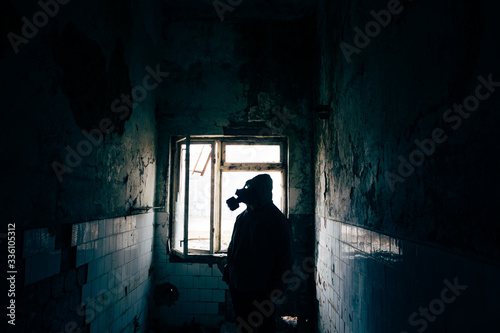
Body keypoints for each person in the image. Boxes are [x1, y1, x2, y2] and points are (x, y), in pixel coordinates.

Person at [222, 174, 294, 333]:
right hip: (239, 287)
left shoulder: (277, 220)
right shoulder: (242, 217)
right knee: (243, 327)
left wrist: (275, 291)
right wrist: (229, 269)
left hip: (262, 291)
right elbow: (233, 247)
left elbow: (286, 261)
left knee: (264, 329)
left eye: (251, 189)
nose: (246, 192)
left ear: (261, 193)